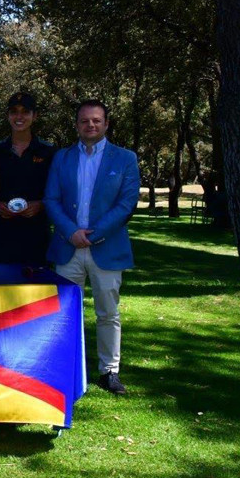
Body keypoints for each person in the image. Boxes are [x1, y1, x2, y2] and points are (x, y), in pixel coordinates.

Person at [44, 99, 140, 395]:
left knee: (108, 313)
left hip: (106, 248)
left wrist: (92, 235)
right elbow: (51, 199)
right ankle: (65, 368)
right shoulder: (62, 157)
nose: (91, 125)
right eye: (85, 121)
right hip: (68, 247)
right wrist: (72, 232)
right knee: (65, 312)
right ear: (77, 125)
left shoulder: (125, 158)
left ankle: (109, 371)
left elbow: (126, 205)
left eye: (96, 120)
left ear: (106, 124)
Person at [0, 92, 56, 266]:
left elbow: (55, 190)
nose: (19, 117)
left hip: (37, 230)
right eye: (14, 111)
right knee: (1, 286)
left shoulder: (49, 151)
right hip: (4, 230)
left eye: (25, 111)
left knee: (38, 289)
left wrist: (40, 204)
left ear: (35, 116)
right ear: (8, 116)